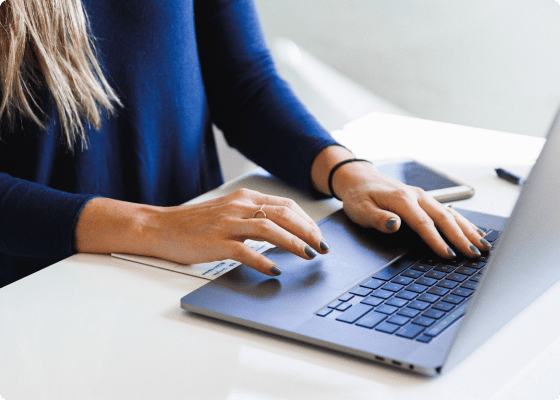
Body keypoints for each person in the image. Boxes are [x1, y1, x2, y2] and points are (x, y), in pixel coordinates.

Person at [0, 0, 490, 288]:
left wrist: (349, 173)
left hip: (197, 268)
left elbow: (241, 81)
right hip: (43, 285)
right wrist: (154, 225)